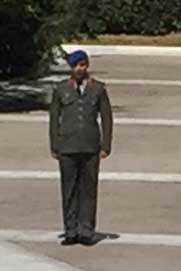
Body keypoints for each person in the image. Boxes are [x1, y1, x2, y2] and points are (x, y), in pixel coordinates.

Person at [49, 49, 113, 246]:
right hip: (67, 146)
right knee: (69, 190)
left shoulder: (98, 89)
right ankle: (70, 230)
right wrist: (54, 145)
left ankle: (86, 230)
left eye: (83, 65)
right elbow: (54, 119)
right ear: (71, 68)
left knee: (88, 190)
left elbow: (107, 118)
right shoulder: (61, 89)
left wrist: (106, 145)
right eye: (76, 65)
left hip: (90, 145)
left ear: (87, 66)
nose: (80, 69)